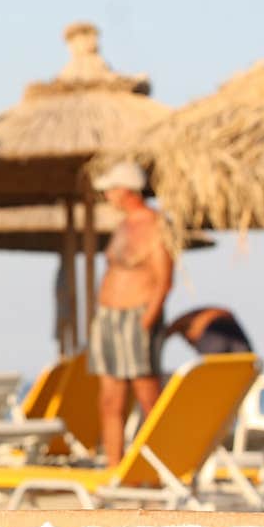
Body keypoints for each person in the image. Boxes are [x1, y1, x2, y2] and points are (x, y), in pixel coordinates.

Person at [88, 160, 174, 467]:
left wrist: (147, 320)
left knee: (148, 396)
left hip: (137, 316)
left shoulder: (156, 224)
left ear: (126, 190)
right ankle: (116, 467)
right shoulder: (122, 225)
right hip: (109, 318)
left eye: (110, 190)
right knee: (110, 399)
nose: (107, 196)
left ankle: (158, 466)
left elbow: (164, 280)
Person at [161, 306, 253, 355]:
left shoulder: (181, 324)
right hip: (230, 324)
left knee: (216, 369)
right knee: (247, 365)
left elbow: (165, 334)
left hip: (214, 328)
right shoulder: (185, 321)